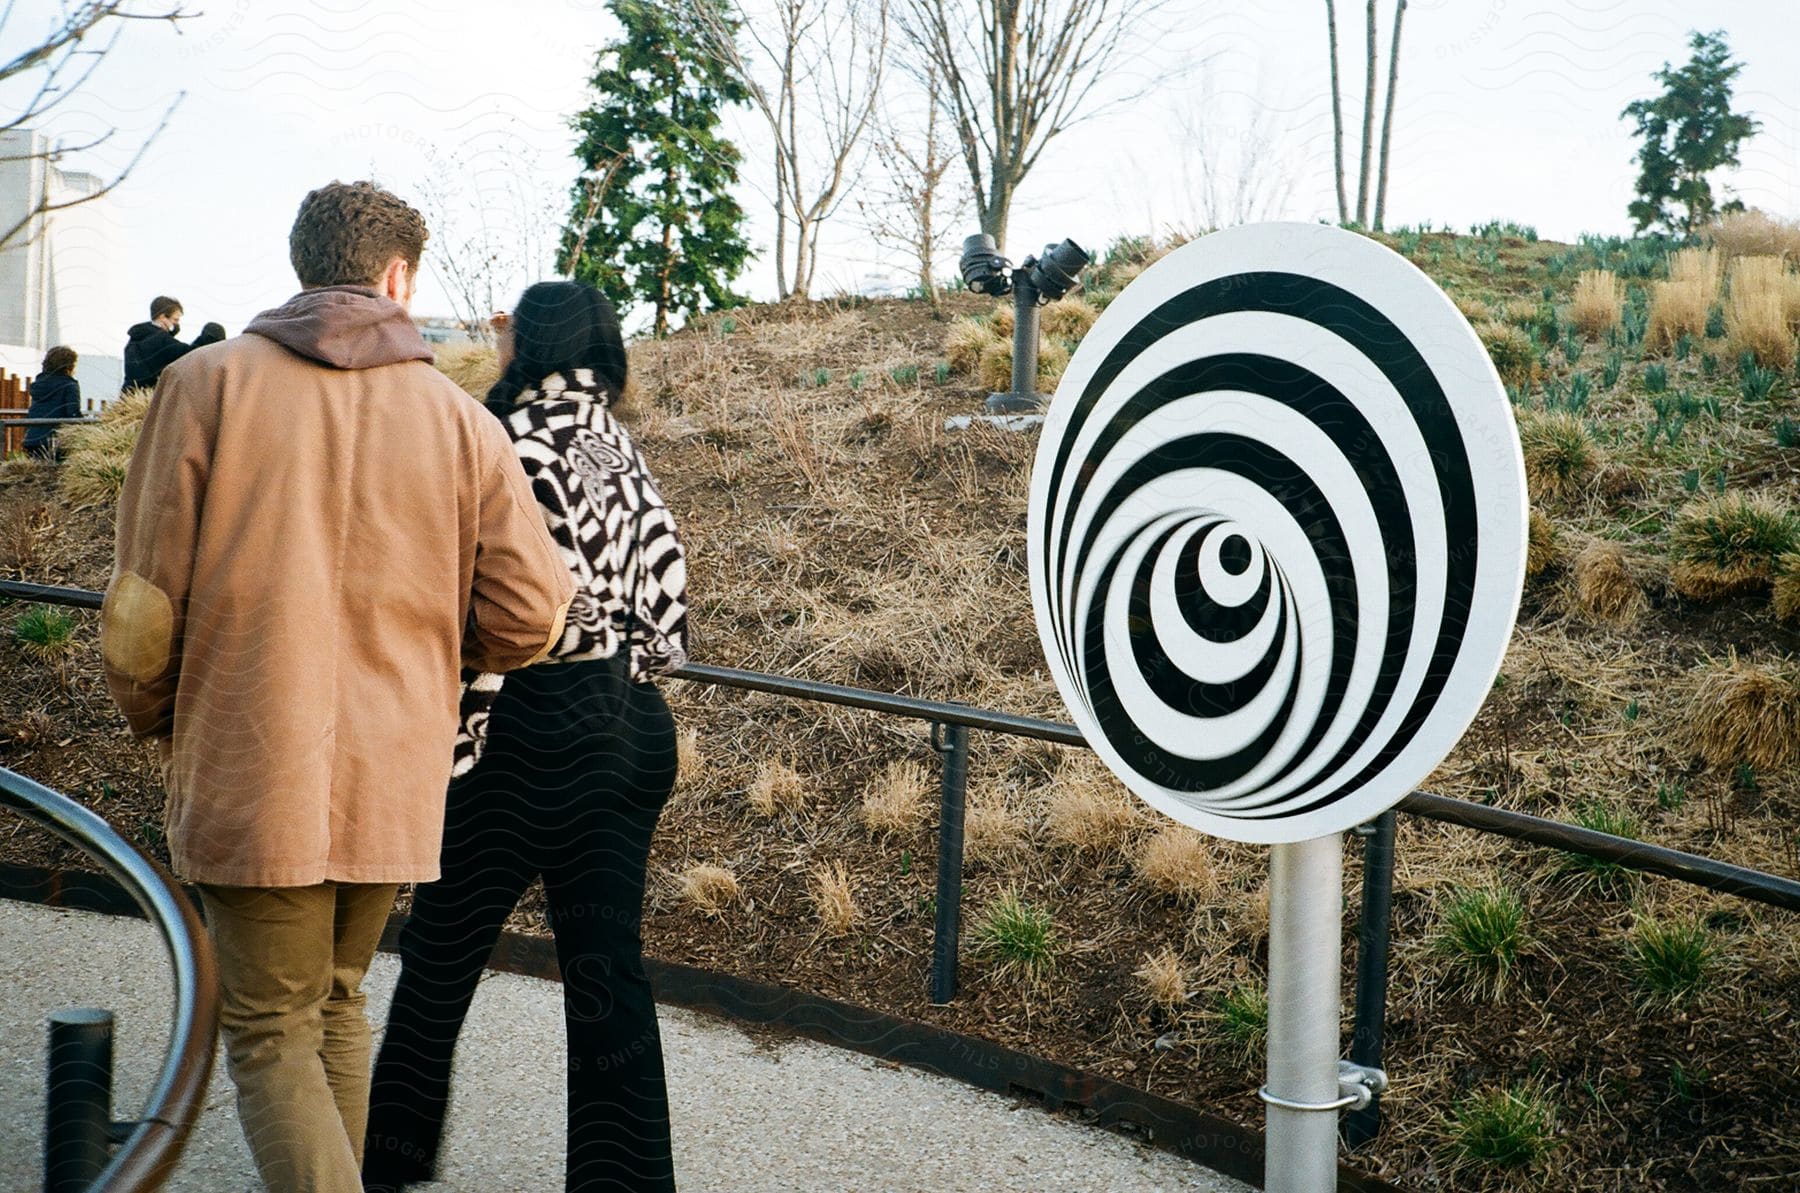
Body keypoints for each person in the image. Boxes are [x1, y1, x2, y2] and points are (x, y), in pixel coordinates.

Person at [100, 180, 575, 1193]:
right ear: (398, 274)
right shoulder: (460, 420)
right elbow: (535, 612)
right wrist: (434, 660)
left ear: (303, 265)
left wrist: (159, 718)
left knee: (270, 1025)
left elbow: (142, 608)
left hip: (248, 754)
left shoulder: (205, 383)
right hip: (394, 769)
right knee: (338, 1002)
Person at [364, 281, 690, 1193]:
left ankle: (381, 1166)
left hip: (530, 727)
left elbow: (490, 606)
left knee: (438, 961)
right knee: (606, 973)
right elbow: (669, 625)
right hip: (627, 725)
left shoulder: (507, 441)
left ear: (525, 343)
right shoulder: (616, 445)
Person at [122, 295, 226, 391]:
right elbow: (189, 354)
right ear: (162, 317)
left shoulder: (136, 338)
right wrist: (209, 335)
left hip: (130, 395)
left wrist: (170, 335)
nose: (176, 324)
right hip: (151, 400)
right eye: (175, 320)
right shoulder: (161, 339)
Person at [23, 345, 80, 458]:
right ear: (69, 366)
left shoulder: (39, 383)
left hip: (32, 440)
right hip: (55, 442)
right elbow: (73, 415)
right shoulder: (70, 385)